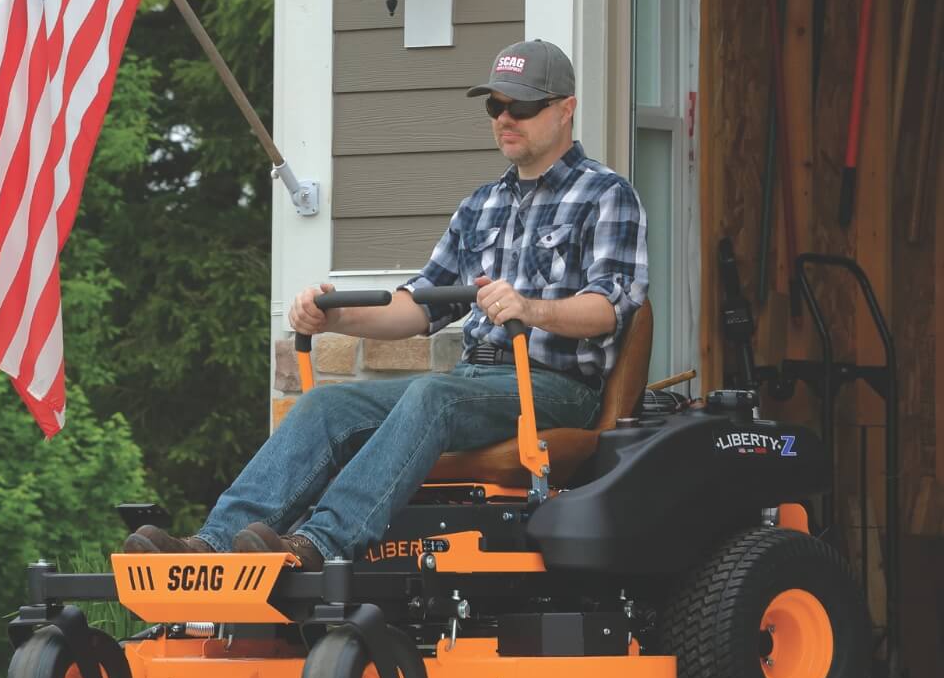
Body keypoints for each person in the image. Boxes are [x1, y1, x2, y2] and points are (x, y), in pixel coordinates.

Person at [124, 39, 648, 569]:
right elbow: (419, 307)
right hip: (472, 382)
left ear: (566, 109)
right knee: (327, 404)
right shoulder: (480, 204)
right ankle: (213, 545)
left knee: (430, 395)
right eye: (495, 106)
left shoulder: (606, 195)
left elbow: (610, 308)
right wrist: (336, 317)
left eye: (522, 106)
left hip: (554, 389)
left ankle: (320, 543)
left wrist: (530, 309)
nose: (505, 118)